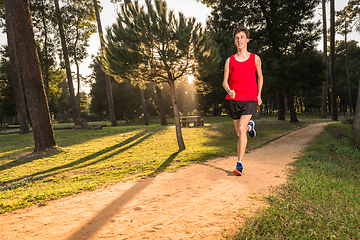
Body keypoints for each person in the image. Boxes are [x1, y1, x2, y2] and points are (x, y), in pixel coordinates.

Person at [222, 26, 263, 176]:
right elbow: (224, 82)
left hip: (250, 99)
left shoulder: (255, 58)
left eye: (242, 37)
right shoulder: (229, 60)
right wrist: (229, 90)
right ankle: (249, 127)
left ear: (247, 40)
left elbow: (261, 77)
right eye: (237, 38)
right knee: (240, 133)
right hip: (234, 100)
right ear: (235, 41)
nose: (239, 40)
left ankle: (239, 164)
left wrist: (259, 95)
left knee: (240, 129)